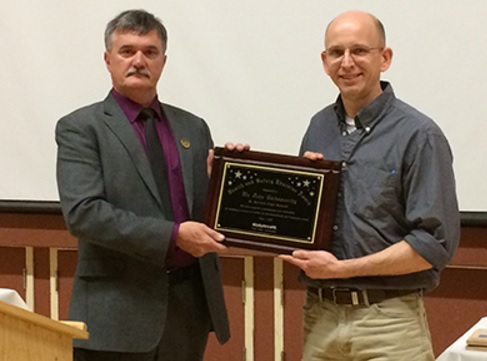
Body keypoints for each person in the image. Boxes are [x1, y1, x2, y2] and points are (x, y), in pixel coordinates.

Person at [56, 9, 238, 361]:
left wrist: (228, 180)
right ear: (108, 60)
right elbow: (84, 214)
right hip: (115, 317)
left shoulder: (193, 127)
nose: (139, 60)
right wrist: (173, 236)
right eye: (127, 51)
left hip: (187, 312)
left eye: (150, 52)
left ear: (163, 62)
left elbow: (206, 211)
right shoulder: (81, 127)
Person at [280, 10, 460, 361]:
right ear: (324, 61)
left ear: (385, 58)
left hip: (389, 324)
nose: (346, 63)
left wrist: (342, 270)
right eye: (336, 52)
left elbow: (431, 245)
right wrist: (229, 176)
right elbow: (301, 223)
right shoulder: (319, 127)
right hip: (320, 318)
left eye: (359, 51)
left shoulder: (419, 135)